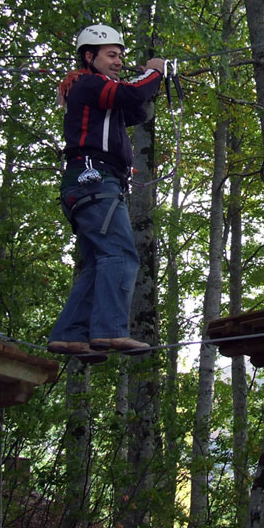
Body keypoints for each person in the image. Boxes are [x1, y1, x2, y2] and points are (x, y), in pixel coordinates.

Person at [48, 24, 165, 360]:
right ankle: (110, 331)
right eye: (111, 55)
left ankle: (70, 334)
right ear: (90, 56)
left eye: (120, 56)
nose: (117, 62)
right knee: (120, 255)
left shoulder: (101, 95)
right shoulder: (87, 83)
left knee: (99, 263)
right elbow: (130, 95)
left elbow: (136, 109)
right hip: (95, 180)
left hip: (88, 184)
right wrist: (154, 72)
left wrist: (147, 79)